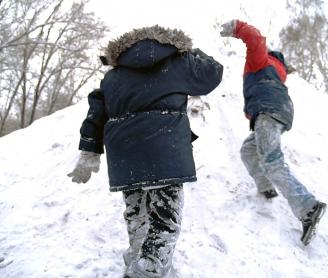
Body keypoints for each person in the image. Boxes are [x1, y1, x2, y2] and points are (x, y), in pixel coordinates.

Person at [68, 25, 223, 277]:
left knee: (137, 216)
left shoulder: (112, 77)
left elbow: (96, 112)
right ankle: (147, 270)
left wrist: (89, 150)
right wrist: (193, 52)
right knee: (164, 221)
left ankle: (137, 260)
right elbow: (212, 74)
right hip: (165, 152)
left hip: (125, 157)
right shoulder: (179, 62)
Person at [220, 19, 326, 246]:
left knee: (272, 161)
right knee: (249, 150)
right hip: (278, 112)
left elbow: (255, 39)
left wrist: (237, 27)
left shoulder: (259, 60)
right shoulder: (277, 69)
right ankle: (266, 187)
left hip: (268, 112)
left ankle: (308, 207)